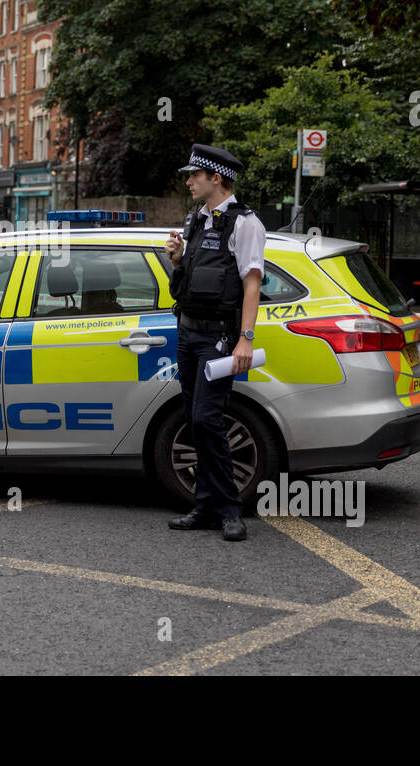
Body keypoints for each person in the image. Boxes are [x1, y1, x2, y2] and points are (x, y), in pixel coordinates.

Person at [164, 143, 266, 543]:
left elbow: (251, 283)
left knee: (208, 418)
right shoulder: (197, 220)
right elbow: (194, 278)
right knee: (194, 419)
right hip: (188, 332)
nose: (189, 182)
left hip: (219, 338)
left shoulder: (245, 224)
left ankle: (229, 509)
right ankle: (206, 504)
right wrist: (176, 259)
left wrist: (245, 339)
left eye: (194, 176)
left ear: (216, 178)